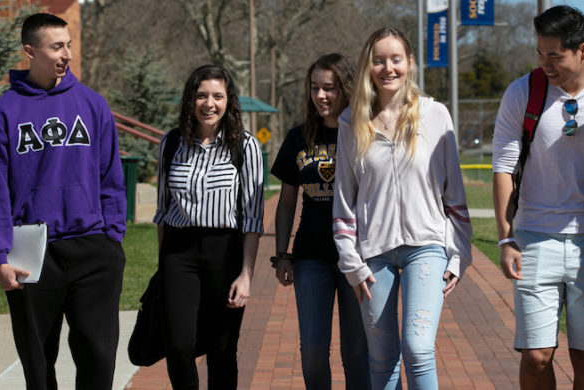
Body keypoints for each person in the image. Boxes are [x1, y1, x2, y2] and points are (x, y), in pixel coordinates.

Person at [332, 27, 473, 389]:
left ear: (409, 63)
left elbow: (454, 193)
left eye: (396, 59)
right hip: (373, 254)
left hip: (426, 247)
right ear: (368, 66)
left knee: (418, 347)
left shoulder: (435, 115)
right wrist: (352, 262)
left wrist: (459, 253)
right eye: (379, 60)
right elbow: (345, 200)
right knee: (381, 358)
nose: (387, 68)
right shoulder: (351, 122)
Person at [0, 13, 127, 390]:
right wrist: (1, 254)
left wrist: (113, 238)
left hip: (93, 247)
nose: (66, 53)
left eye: (68, 44)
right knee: (38, 366)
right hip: (31, 252)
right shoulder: (6, 111)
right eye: (56, 46)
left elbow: (111, 177)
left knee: (97, 358)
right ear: (30, 51)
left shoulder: (92, 105)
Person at [154, 64, 264, 390]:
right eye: (201, 95)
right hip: (178, 252)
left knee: (222, 349)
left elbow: (253, 218)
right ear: (190, 99)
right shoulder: (171, 144)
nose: (209, 103)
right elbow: (161, 212)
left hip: (225, 252)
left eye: (217, 96)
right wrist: (163, 266)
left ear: (229, 100)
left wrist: (246, 275)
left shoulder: (245, 146)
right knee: (177, 345)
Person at [492, 5, 584, 389]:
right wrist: (505, 237)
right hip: (534, 237)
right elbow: (504, 166)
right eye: (540, 53)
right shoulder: (523, 92)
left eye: (555, 55)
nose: (545, 63)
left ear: (582, 50)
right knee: (536, 355)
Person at [270, 53, 371, 390]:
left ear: (347, 88)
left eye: (330, 88)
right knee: (313, 349)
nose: (321, 96)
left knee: (357, 352)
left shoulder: (364, 133)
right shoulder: (299, 137)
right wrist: (281, 253)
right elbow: (286, 203)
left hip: (358, 257)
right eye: (314, 88)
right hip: (311, 256)